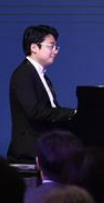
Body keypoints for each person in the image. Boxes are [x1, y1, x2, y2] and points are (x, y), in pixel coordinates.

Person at [8, 25, 77, 163]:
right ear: (34, 47)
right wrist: (72, 113)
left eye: (56, 47)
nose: (55, 51)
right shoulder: (23, 74)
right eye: (51, 46)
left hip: (45, 147)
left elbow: (52, 110)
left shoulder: (42, 76)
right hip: (30, 150)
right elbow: (35, 112)